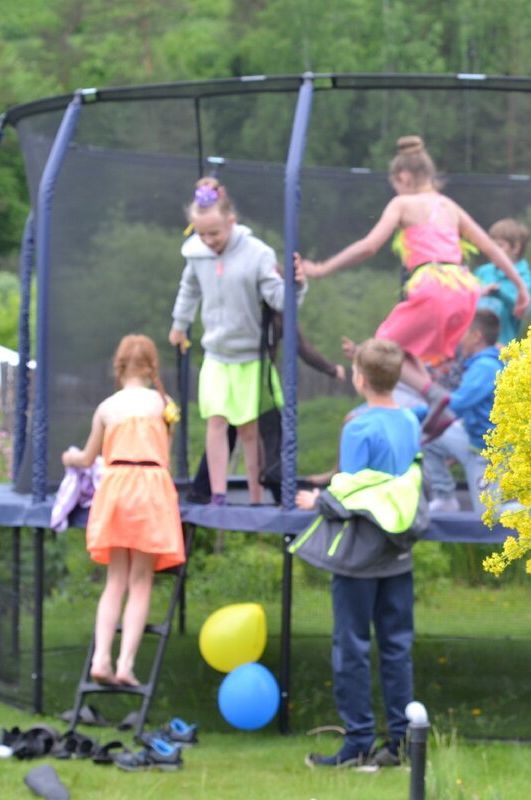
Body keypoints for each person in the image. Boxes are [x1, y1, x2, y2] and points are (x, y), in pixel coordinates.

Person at [295, 135, 529, 433]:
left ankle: (436, 397)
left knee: (381, 346)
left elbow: (369, 246)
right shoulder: (450, 206)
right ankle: (435, 400)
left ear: (403, 177)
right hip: (464, 289)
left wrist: (322, 269)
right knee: (406, 350)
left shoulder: (402, 203)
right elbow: (492, 249)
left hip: (434, 286)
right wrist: (520, 286)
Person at [293, 338, 422, 769]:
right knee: (396, 649)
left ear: (360, 378)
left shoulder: (356, 424)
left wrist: (317, 502)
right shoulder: (410, 420)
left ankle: (358, 744)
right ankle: (401, 747)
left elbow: (349, 489)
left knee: (350, 647)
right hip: (398, 553)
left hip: (359, 558)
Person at [170, 176, 306, 506]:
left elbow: (278, 298)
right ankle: (217, 494)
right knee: (215, 422)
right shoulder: (197, 254)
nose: (208, 240)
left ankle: (256, 497)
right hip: (216, 355)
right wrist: (180, 324)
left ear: (232, 221)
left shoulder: (257, 253)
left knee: (248, 430)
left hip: (249, 359)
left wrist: (296, 285)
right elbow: (189, 289)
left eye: (214, 233)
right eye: (201, 234)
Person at [62, 334, 186, 686]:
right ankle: (125, 664)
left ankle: (100, 658)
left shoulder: (107, 407)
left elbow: (87, 458)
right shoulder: (163, 404)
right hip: (150, 486)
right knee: (140, 579)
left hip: (116, 485)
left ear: (119, 366)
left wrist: (70, 459)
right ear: (152, 366)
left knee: (115, 579)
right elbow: (167, 451)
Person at [186, 310, 346, 504]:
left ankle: (204, 490)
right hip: (255, 381)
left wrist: (330, 369)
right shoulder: (270, 311)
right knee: (262, 440)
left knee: (231, 432)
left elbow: (302, 348)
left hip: (251, 380)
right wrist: (332, 370)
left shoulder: (271, 312)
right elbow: (302, 348)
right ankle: (282, 497)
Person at [421, 308, 502, 514]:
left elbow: (454, 404)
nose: (458, 339)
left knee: (488, 517)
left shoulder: (486, 367)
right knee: (427, 437)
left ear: (476, 336)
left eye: (462, 333)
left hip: (486, 455)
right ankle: (445, 496)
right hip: (470, 440)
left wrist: (413, 412)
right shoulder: (476, 364)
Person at [474, 218, 531, 345]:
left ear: (516, 247)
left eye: (500, 246)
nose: (494, 251)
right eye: (492, 246)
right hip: (473, 343)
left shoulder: (524, 279)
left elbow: (524, 309)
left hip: (501, 349)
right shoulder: (482, 272)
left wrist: (499, 293)